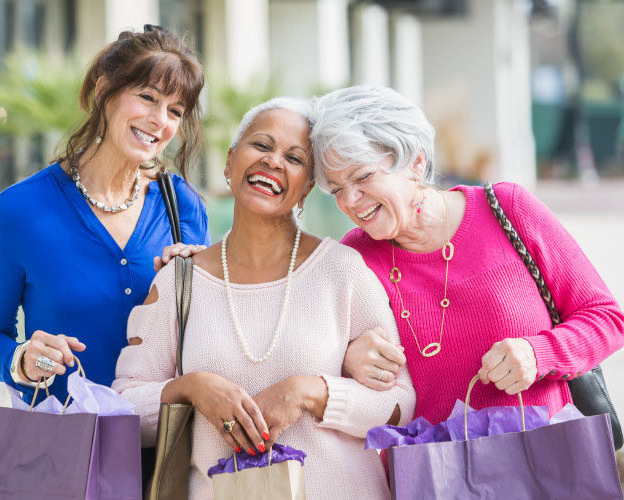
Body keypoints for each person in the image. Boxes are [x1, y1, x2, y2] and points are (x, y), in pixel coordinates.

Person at [113, 97, 416, 499]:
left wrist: (312, 392)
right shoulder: (177, 282)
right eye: (261, 145)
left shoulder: (343, 270)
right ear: (230, 160)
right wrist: (191, 388)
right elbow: (123, 412)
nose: (274, 162)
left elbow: (399, 406)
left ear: (307, 187)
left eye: (294, 157)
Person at [0, 26, 209, 478]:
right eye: (148, 98)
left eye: (175, 110)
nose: (161, 121)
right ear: (103, 91)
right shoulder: (20, 210)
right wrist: (24, 360)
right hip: (67, 455)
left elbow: (211, 341)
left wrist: (198, 291)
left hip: (168, 451)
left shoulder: (185, 209)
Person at [309, 84, 624, 426]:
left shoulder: (508, 209)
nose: (350, 202)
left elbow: (606, 318)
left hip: (547, 463)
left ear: (415, 161)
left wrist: (540, 353)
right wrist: (346, 359)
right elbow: (311, 357)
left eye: (363, 177)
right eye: (337, 189)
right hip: (437, 473)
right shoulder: (353, 257)